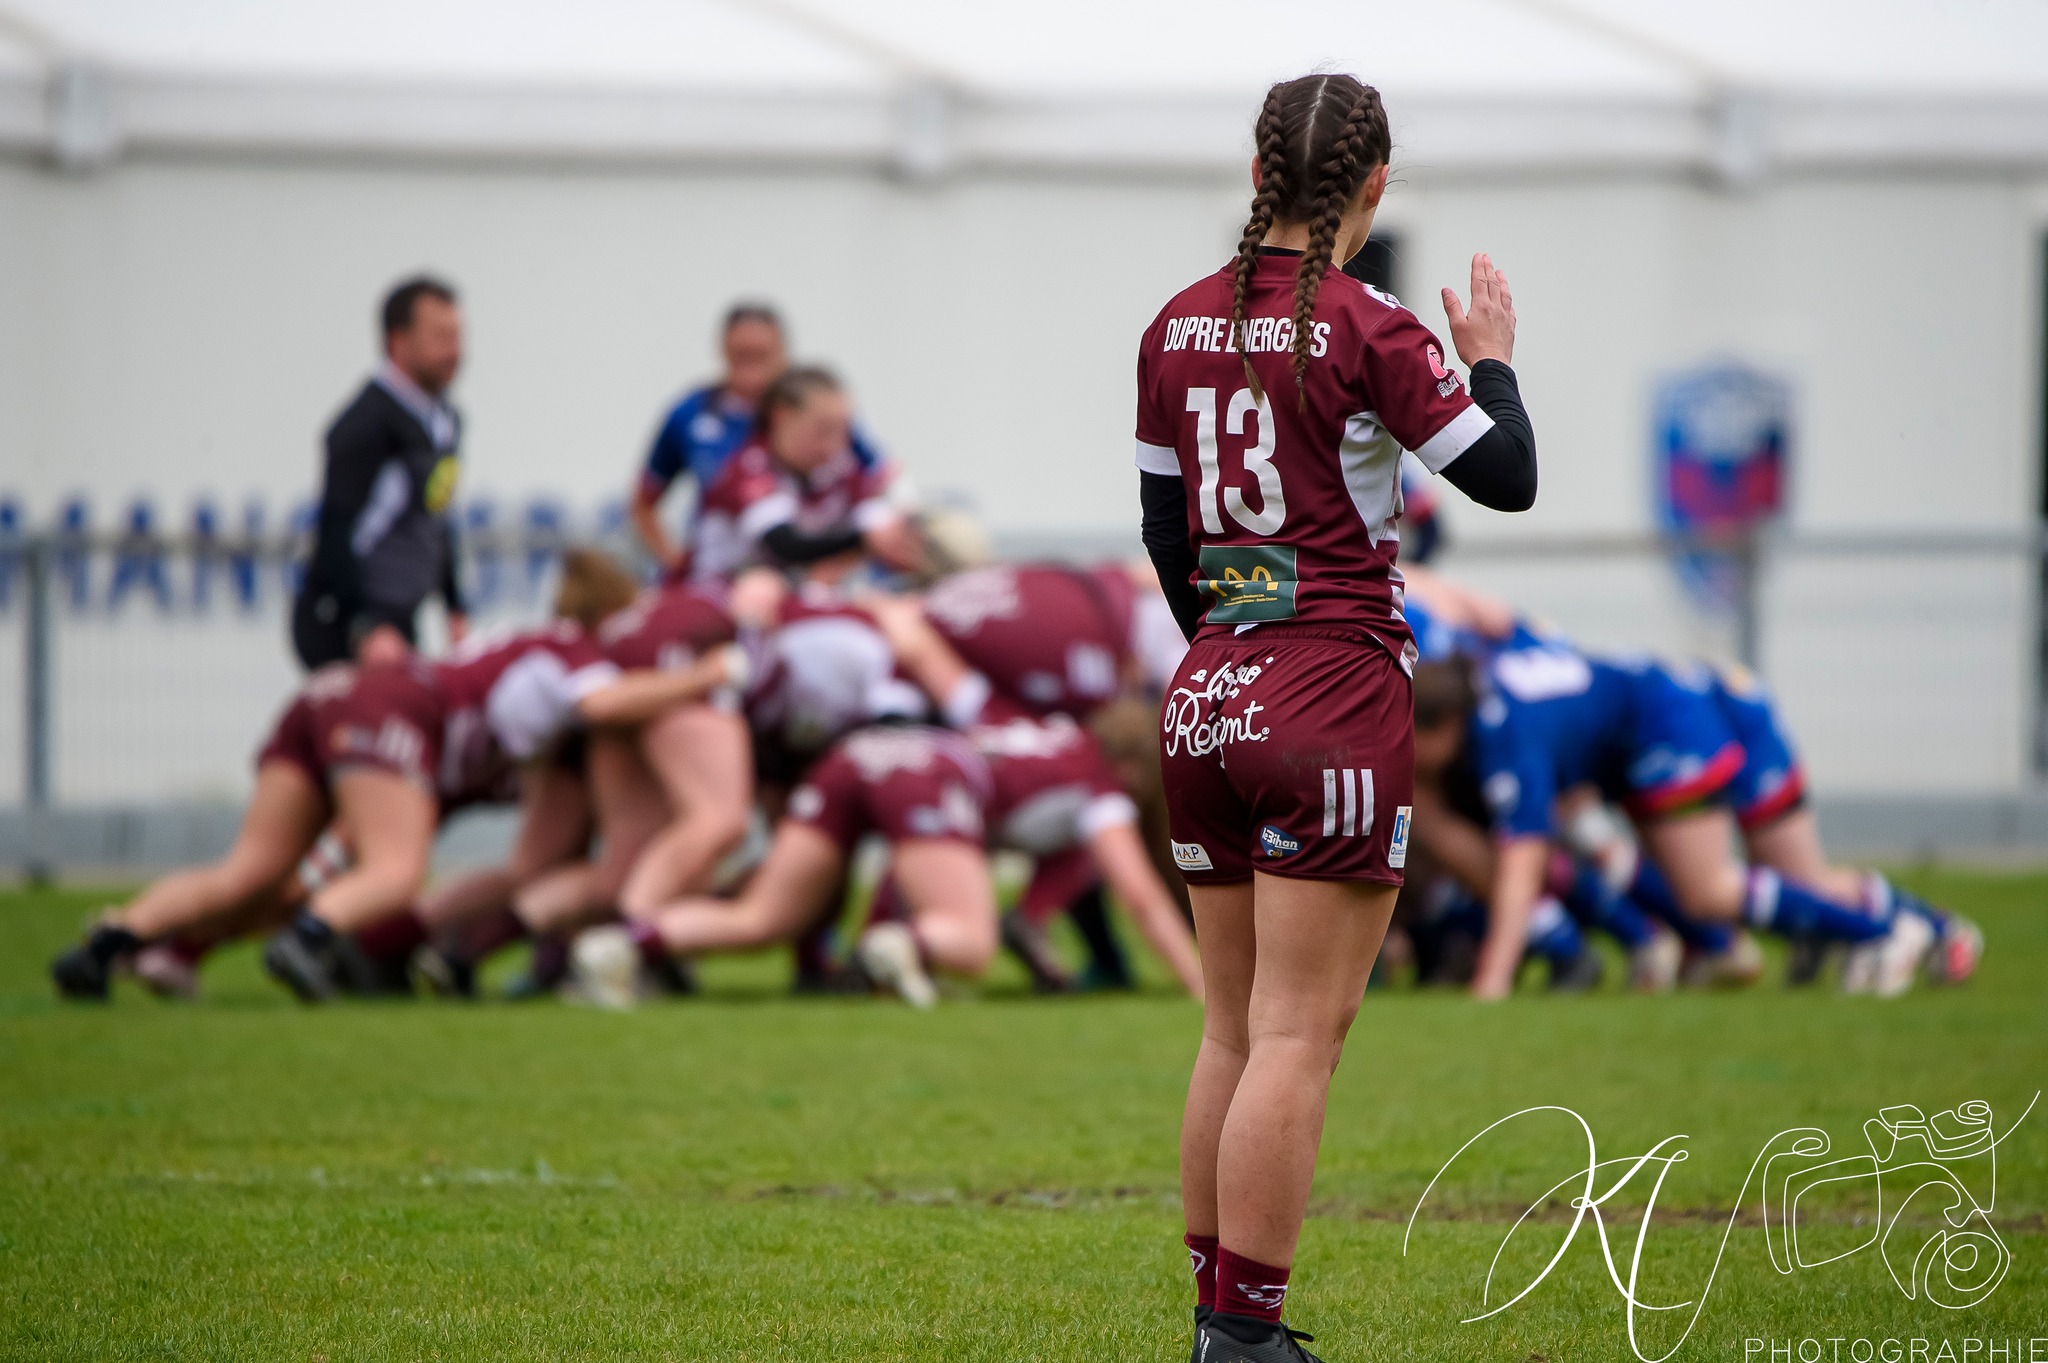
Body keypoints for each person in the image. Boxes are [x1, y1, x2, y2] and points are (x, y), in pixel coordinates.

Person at [1135, 74, 1538, 1362]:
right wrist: (1489, 362)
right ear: (1373, 185)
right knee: (1295, 1036)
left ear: (1259, 174)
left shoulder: (1172, 324)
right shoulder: (1370, 327)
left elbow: (1165, 533)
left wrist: (1235, 640)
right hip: (1331, 692)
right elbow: (1506, 477)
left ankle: (1219, 1325)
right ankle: (1244, 1337)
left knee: (1230, 1027)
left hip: (1209, 688)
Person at [629, 304, 884, 576]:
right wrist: (674, 562)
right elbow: (644, 499)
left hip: (797, 565)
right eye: (741, 354)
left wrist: (835, 570)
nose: (751, 367)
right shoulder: (697, 418)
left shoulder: (817, 414)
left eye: (762, 355)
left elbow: (878, 484)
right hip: (730, 569)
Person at [293, 276, 468, 670]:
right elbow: (337, 529)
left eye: (458, 337)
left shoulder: (445, 421)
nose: (455, 351)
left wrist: (455, 604)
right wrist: (364, 625)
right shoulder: (365, 425)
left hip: (401, 619)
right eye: (440, 337)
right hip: (345, 623)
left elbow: (437, 515)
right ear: (398, 341)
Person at [688, 367, 921, 583]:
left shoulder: (836, 466)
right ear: (782, 417)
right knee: (761, 587)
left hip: (789, 588)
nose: (834, 445)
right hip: (718, 589)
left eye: (843, 430)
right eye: (823, 430)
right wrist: (863, 539)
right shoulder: (750, 467)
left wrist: (898, 531)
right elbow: (787, 546)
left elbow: (872, 516)